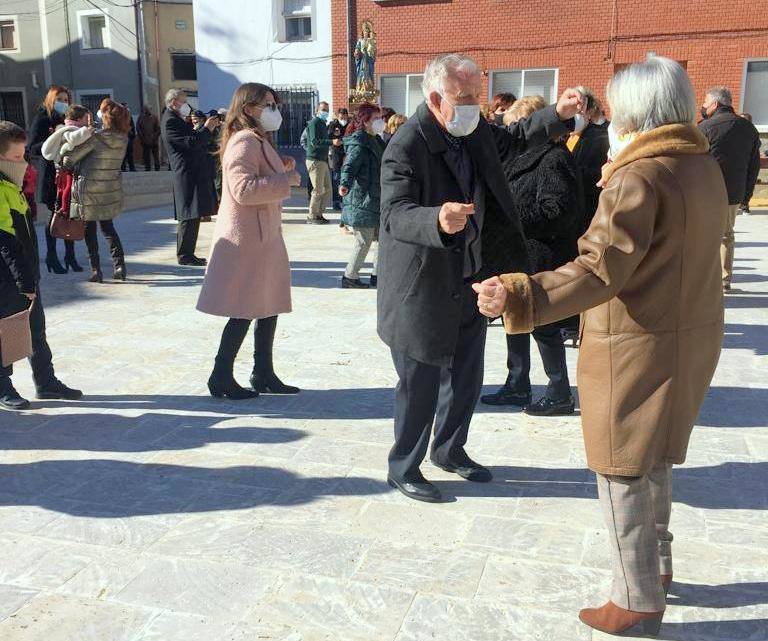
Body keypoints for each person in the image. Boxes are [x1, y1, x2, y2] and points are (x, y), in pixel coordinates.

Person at [474, 57, 725, 637]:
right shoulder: (698, 165)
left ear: (635, 111)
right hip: (686, 332)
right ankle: (656, 569)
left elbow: (599, 268)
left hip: (636, 340)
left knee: (621, 468)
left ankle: (635, 599)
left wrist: (522, 292)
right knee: (655, 456)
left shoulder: (639, 176)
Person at [378, 53, 582, 503]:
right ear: (435, 98)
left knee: (466, 377)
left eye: (478, 95)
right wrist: (436, 218)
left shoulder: (471, 131)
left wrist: (558, 114)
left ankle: (450, 450)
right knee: (420, 384)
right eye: (465, 97)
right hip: (423, 284)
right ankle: (403, 466)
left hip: (472, 277)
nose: (475, 105)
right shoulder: (407, 144)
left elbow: (514, 136)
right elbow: (393, 215)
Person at [197, 83, 302, 399]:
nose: (274, 110)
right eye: (267, 104)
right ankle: (221, 375)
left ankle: (263, 373)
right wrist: (286, 180)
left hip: (263, 237)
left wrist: (277, 166)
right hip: (248, 239)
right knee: (243, 307)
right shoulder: (244, 141)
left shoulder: (257, 140)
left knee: (268, 304)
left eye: (274, 104)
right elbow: (242, 190)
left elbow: (255, 177)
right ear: (247, 109)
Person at [480, 95, 580, 415]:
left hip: (542, 258)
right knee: (515, 318)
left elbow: (559, 211)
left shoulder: (553, 159)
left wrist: (513, 217)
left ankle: (559, 390)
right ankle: (517, 382)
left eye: (516, 126)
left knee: (544, 327)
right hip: (516, 256)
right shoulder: (517, 159)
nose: (512, 133)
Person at [0, 121, 82, 410]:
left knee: (36, 329)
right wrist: (23, 282)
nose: (22, 162)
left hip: (26, 274)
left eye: (24, 155)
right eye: (15, 157)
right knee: (6, 333)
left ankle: (45, 381)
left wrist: (31, 276)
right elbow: (5, 242)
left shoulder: (12, 186)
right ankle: (3, 387)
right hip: (8, 279)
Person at [60, 99, 130, 284]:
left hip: (88, 190)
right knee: (108, 229)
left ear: (105, 117)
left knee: (89, 231)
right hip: (109, 189)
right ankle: (119, 266)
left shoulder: (95, 137)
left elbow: (69, 160)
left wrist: (64, 153)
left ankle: (96, 270)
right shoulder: (123, 138)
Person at [698, 86, 761, 292]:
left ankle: (705, 278)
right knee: (726, 235)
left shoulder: (705, 127)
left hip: (706, 190)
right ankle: (724, 280)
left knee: (704, 235)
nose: (703, 106)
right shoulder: (749, 128)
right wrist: (747, 194)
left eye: (706, 102)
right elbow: (754, 165)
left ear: (715, 104)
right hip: (734, 192)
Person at [26, 84, 81, 274]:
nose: (63, 103)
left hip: (68, 174)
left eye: (66, 100)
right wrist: (54, 139)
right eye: (60, 100)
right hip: (51, 176)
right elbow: (32, 147)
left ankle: (70, 256)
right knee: (55, 216)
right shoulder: (42, 118)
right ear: (51, 99)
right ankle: (51, 256)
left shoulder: (67, 119)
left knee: (69, 214)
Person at [161, 88, 220, 265]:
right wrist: (207, 129)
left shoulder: (177, 119)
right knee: (188, 214)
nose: (188, 106)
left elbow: (194, 137)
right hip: (185, 173)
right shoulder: (170, 121)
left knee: (193, 214)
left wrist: (203, 129)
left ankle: (188, 253)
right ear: (174, 103)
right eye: (184, 102)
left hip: (192, 171)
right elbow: (191, 142)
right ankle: (184, 255)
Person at [339, 103, 386, 289]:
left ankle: (378, 274)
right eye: (376, 118)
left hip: (377, 198)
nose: (380, 122)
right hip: (362, 199)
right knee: (363, 241)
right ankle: (350, 276)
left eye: (380, 118)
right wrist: (344, 184)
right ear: (365, 121)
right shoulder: (360, 141)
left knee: (382, 240)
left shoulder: (377, 140)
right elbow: (349, 166)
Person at [567, 86, 610, 236]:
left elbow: (595, 176)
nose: (571, 117)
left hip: (587, 214)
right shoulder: (569, 136)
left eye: (577, 112)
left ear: (588, 112)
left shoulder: (598, 138)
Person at [305, 101, 341, 224]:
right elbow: (315, 141)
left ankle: (319, 213)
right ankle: (312, 215)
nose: (325, 112)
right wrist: (332, 142)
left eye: (327, 109)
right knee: (318, 189)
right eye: (323, 109)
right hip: (315, 160)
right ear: (317, 110)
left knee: (328, 189)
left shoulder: (322, 123)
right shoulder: (314, 123)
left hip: (323, 160)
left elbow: (323, 139)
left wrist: (331, 137)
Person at [328, 108, 349, 211]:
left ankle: (345, 201)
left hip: (348, 155)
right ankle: (336, 202)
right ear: (338, 115)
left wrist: (343, 140)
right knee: (336, 179)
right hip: (336, 156)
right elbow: (329, 137)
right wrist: (334, 141)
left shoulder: (350, 124)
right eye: (341, 115)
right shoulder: (333, 125)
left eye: (344, 115)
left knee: (346, 178)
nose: (343, 117)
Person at [137, 105, 161, 171]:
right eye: (146, 110)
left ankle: (157, 168)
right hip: (145, 140)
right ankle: (147, 168)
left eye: (148, 109)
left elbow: (158, 129)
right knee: (146, 156)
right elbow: (138, 128)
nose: (147, 111)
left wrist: (154, 136)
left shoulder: (155, 117)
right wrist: (142, 137)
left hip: (154, 141)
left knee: (156, 155)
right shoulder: (141, 118)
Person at [120, 103, 136, 172]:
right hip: (122, 138)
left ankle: (132, 168)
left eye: (126, 108)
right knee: (123, 154)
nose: (126, 109)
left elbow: (132, 126)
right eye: (125, 108)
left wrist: (132, 134)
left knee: (130, 154)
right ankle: (123, 168)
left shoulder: (129, 117)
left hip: (129, 137)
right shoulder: (119, 117)